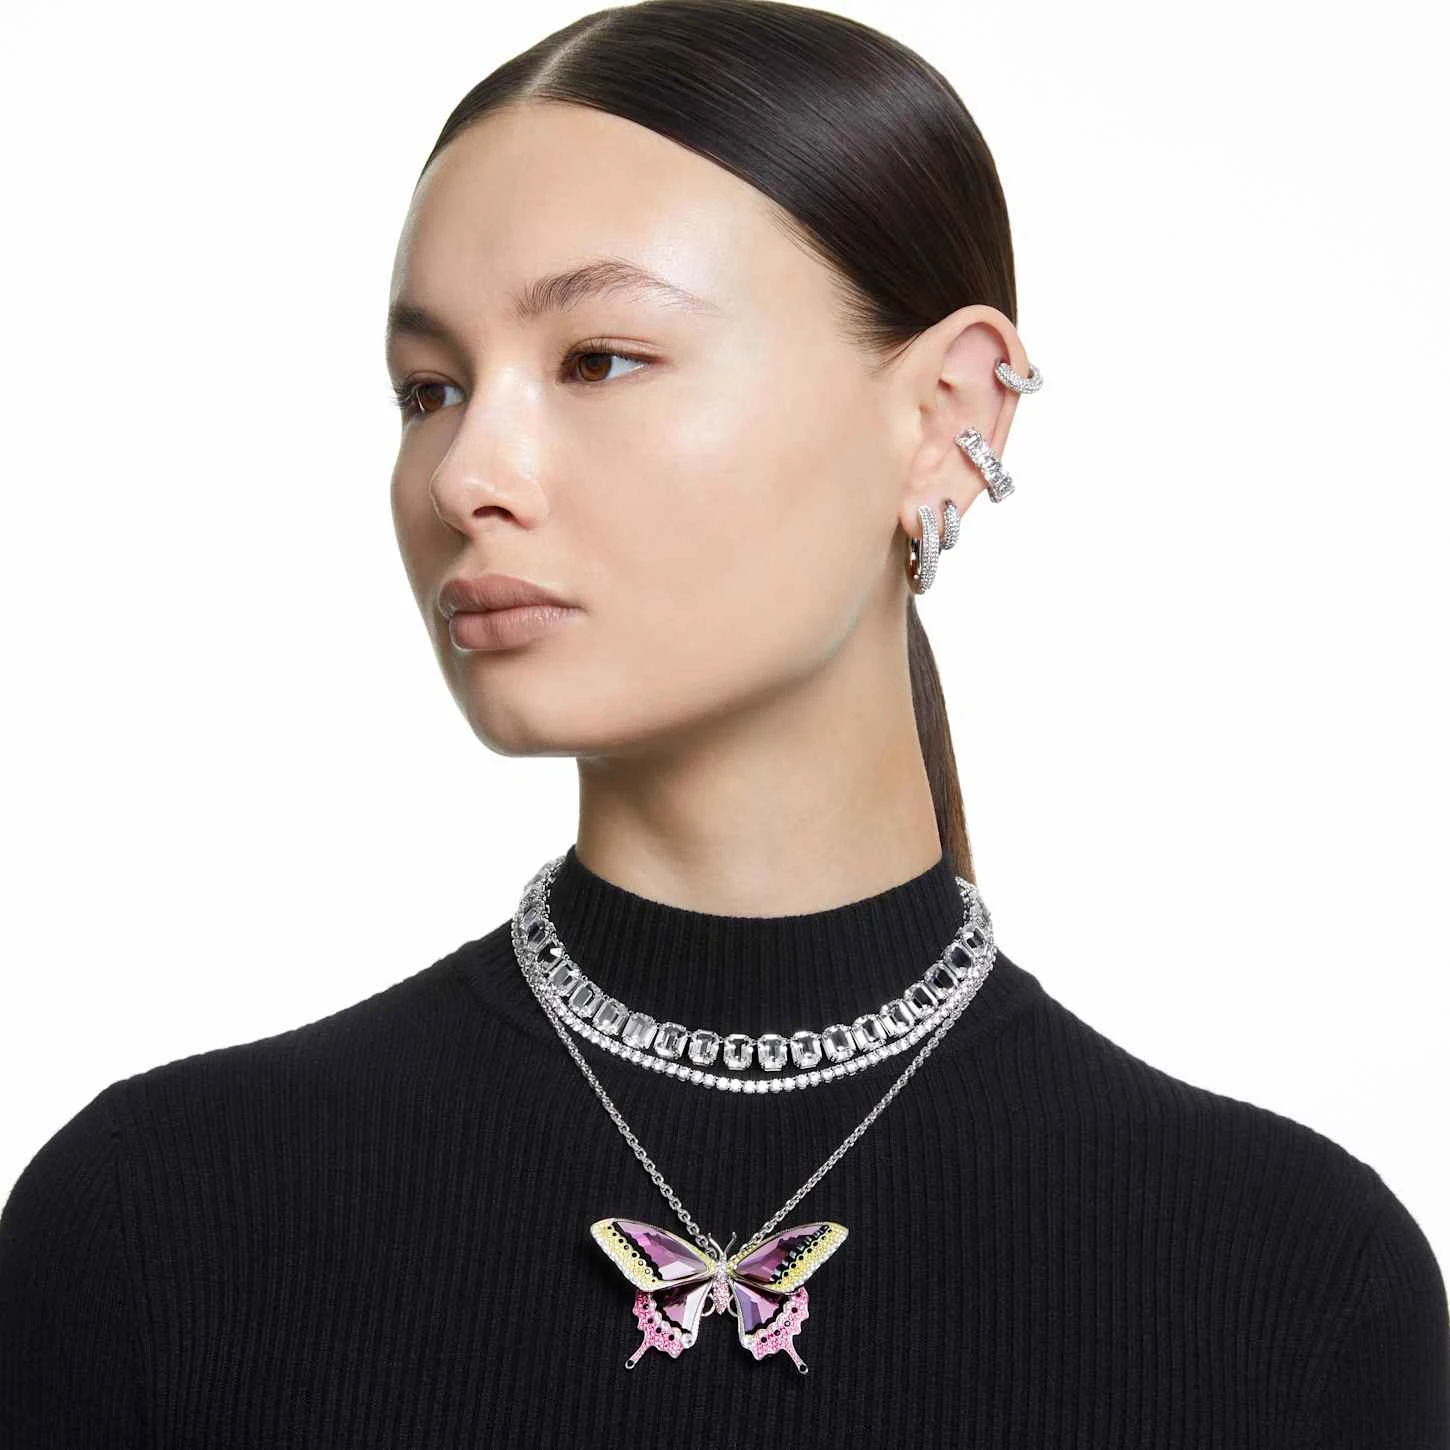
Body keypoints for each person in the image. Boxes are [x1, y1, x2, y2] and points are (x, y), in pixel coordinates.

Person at [2, 1, 1445, 1444]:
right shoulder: (155, 1226)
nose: (464, 476)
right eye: (428, 389)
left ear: (947, 415)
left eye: (599, 360)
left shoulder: (1290, 1285)